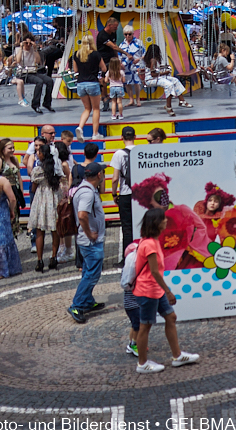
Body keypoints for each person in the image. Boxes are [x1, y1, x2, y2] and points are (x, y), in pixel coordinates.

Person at [133, 208, 200, 373]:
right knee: (145, 326)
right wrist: (168, 291)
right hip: (148, 291)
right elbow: (154, 272)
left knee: (171, 317)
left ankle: (177, 356)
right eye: (163, 219)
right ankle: (142, 364)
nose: (166, 221)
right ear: (156, 223)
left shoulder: (152, 240)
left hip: (155, 289)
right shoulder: (149, 244)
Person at [68, 162, 107, 324]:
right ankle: (77, 305)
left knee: (88, 272)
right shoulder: (87, 193)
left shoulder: (86, 189)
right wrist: (90, 234)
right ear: (98, 175)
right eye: (103, 172)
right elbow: (82, 215)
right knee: (92, 274)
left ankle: (88, 301)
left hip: (88, 240)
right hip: (90, 241)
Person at [29, 139, 66, 272]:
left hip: (41, 199)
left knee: (40, 230)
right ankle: (53, 257)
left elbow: (33, 188)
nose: (37, 154)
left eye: (39, 152)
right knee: (55, 230)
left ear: (43, 155)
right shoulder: (57, 169)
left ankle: (39, 260)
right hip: (55, 198)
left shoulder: (38, 170)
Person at [71, 34, 106, 142]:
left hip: (81, 84)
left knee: (87, 108)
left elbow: (76, 70)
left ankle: (80, 127)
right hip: (92, 83)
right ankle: (95, 133)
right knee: (96, 109)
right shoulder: (96, 54)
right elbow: (104, 68)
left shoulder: (77, 54)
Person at [111, 126, 138, 263]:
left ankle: (127, 258)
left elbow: (115, 178)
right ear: (135, 137)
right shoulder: (140, 151)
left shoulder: (118, 154)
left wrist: (114, 194)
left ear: (121, 137)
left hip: (126, 193)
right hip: (139, 194)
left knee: (127, 228)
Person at [143, 45, 189, 116]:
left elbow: (155, 69)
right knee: (169, 85)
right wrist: (165, 73)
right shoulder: (153, 60)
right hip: (151, 79)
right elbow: (153, 74)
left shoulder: (152, 59)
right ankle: (168, 106)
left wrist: (164, 67)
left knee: (175, 80)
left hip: (156, 77)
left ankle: (182, 100)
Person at [14, 36, 55, 113]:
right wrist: (21, 48)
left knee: (49, 81)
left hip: (33, 72)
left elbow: (38, 61)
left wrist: (35, 49)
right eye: (26, 43)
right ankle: (35, 104)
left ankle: (47, 103)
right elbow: (18, 60)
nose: (28, 45)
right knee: (39, 82)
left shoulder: (33, 50)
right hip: (23, 73)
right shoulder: (18, 49)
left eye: (30, 43)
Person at [119, 25, 146, 108]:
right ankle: (131, 100)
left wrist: (139, 59)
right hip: (126, 66)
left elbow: (145, 53)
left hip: (136, 65)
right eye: (125, 34)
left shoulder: (139, 42)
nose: (127, 36)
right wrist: (120, 64)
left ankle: (137, 99)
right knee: (127, 83)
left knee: (137, 82)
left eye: (129, 34)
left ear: (133, 34)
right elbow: (119, 55)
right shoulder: (122, 45)